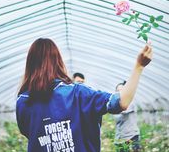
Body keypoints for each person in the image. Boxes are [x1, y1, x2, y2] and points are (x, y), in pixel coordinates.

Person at [16, 38, 152, 152]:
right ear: (57, 61)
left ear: (30, 63)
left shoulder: (23, 102)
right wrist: (139, 66)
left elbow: (29, 133)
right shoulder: (78, 93)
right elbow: (121, 102)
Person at [114, 81, 140, 152]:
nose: (120, 92)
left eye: (122, 90)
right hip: (120, 138)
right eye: (118, 91)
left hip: (131, 137)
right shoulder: (116, 103)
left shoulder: (130, 102)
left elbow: (123, 109)